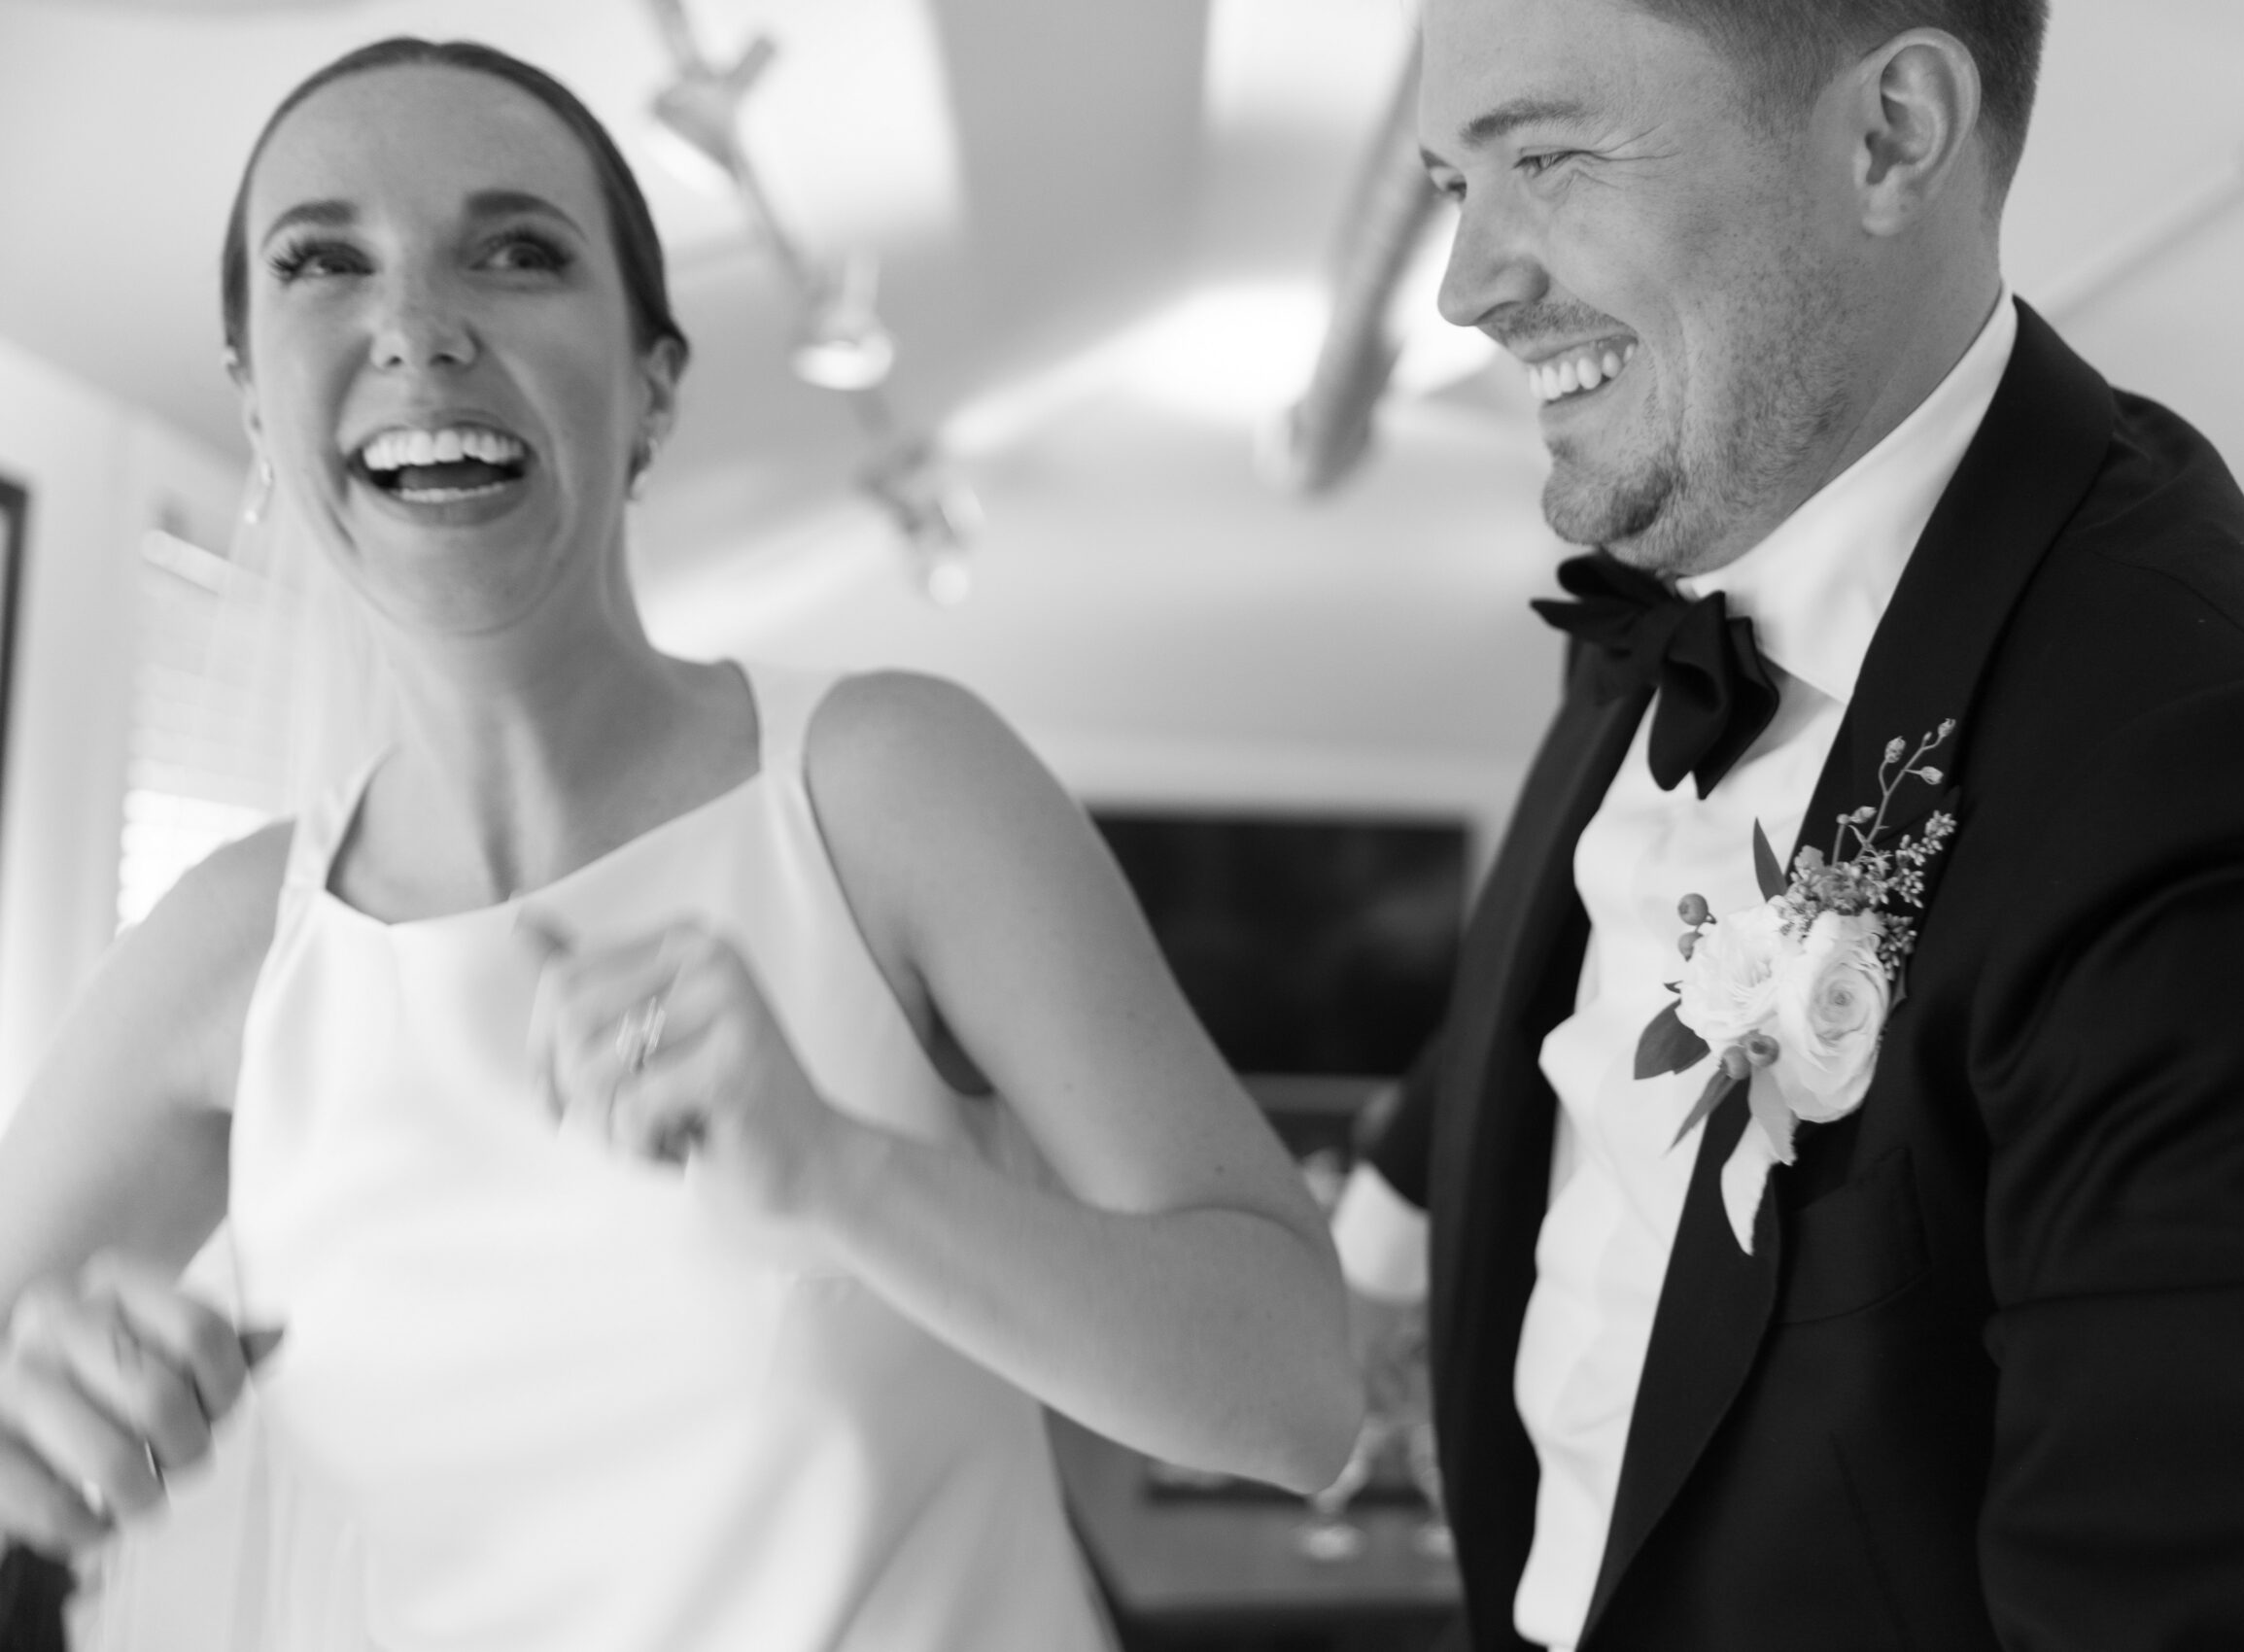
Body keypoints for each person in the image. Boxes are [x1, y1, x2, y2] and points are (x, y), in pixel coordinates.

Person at [0, 37, 1359, 1651]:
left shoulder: (887, 786)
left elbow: (1295, 1398)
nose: (418, 328)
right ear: (249, 393)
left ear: (653, 384)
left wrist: (846, 1178)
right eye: (322, 261)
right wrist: (41, 1417)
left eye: (517, 254)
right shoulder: (229, 952)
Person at [1329, 0, 2244, 1647]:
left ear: (1892, 137)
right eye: (1452, 182)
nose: (1465, 285)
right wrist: (1385, 1198)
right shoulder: (1675, 588)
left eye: (1550, 155)